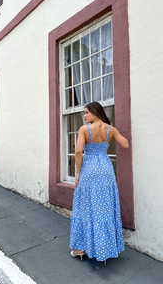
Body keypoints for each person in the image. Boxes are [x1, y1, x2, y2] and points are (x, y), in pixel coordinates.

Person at [69, 101, 129, 264]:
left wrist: (77, 173)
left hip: (89, 169)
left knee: (86, 207)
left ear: (95, 113)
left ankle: (81, 248)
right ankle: (105, 249)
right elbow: (125, 144)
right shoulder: (111, 129)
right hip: (106, 169)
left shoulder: (84, 129)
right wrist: (112, 133)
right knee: (104, 208)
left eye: (87, 112)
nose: (85, 115)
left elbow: (79, 151)